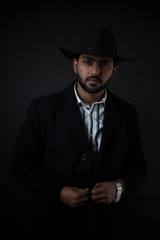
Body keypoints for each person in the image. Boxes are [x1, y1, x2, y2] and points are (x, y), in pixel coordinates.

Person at [11, 27, 146, 239]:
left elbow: (137, 167)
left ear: (114, 70)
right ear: (75, 65)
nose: (95, 71)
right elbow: (21, 162)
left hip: (106, 226)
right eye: (87, 61)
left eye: (104, 64)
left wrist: (118, 188)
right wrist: (57, 192)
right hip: (54, 225)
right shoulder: (43, 108)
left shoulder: (127, 114)